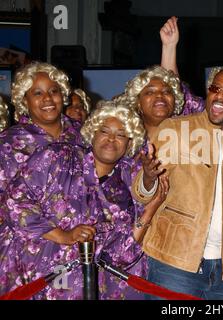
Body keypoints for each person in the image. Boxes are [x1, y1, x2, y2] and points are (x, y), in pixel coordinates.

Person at [131, 67, 223, 300]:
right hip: (174, 261)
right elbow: (143, 194)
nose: (219, 96)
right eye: (215, 89)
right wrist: (149, 177)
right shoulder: (176, 130)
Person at [0, 101, 168, 299]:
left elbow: (121, 256)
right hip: (34, 278)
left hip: (86, 289)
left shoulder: (124, 184)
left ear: (130, 144)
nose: (112, 139)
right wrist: (62, 236)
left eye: (121, 134)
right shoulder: (58, 157)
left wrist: (150, 208)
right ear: (92, 134)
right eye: (104, 131)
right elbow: (15, 201)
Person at [0, 62, 82, 194]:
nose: (48, 98)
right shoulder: (7, 144)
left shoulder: (84, 134)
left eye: (54, 91)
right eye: (38, 93)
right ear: (25, 101)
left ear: (62, 94)